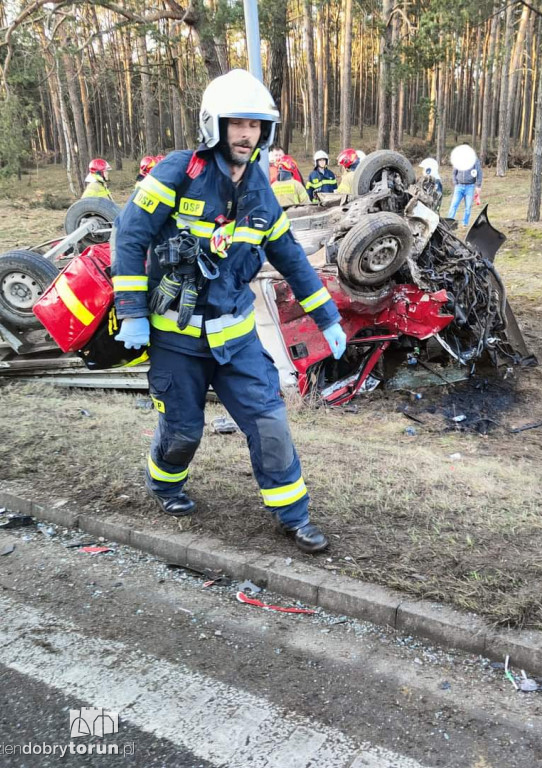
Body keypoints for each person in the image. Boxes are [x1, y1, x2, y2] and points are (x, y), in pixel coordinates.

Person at [110, 69, 347, 553]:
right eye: (237, 123)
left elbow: (291, 258)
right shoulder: (178, 173)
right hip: (177, 338)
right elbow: (129, 237)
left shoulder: (262, 189)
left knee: (269, 421)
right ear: (214, 125)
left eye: (256, 125)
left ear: (267, 132)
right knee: (182, 431)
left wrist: (327, 316)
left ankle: (294, 516)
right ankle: (165, 483)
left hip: (236, 339)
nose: (246, 134)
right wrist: (132, 310)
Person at [447, 144, 482, 227]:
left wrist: (478, 185)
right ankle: (448, 222)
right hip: (459, 187)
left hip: (470, 187)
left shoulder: (475, 160)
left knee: (468, 207)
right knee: (454, 205)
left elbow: (479, 173)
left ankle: (465, 223)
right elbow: (454, 173)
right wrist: (455, 182)